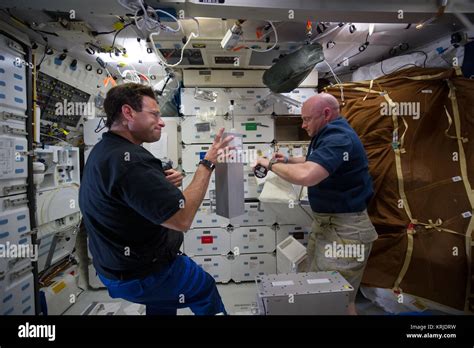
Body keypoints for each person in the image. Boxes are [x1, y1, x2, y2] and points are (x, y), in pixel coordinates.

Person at [79, 83, 233, 315]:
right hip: (144, 273)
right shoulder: (131, 161)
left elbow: (125, 197)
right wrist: (208, 164)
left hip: (114, 268)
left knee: (164, 302)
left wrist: (160, 185)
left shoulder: (104, 151)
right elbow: (182, 219)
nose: (161, 122)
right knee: (204, 289)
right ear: (128, 112)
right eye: (154, 114)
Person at [254, 92, 378, 315]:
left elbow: (308, 176)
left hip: (345, 231)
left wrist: (269, 165)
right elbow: (316, 158)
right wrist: (289, 160)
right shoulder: (329, 134)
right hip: (329, 227)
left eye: (307, 119)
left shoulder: (339, 137)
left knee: (334, 301)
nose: (303, 125)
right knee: (328, 295)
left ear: (327, 114)